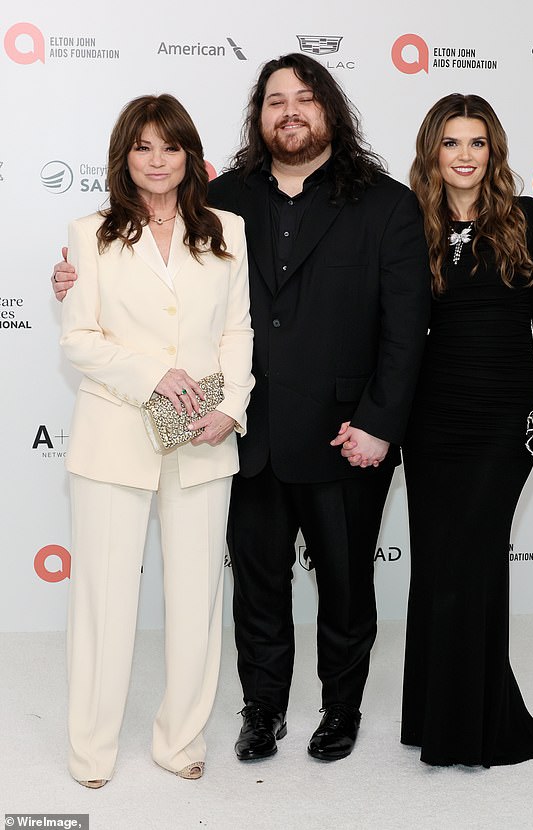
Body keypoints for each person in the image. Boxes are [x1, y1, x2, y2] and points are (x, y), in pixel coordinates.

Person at [53, 54, 430, 763]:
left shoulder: (385, 202)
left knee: (347, 587)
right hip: (244, 439)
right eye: (274, 100)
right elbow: (140, 270)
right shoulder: (226, 201)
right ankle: (262, 712)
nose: (289, 111)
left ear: (330, 110)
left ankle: (339, 711)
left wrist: (380, 422)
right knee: (255, 590)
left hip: (341, 434)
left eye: (305, 98)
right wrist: (72, 278)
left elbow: (406, 327)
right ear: (257, 116)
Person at [58, 94, 254, 787]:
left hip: (204, 437)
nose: (157, 160)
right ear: (125, 157)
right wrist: (151, 375)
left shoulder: (227, 230)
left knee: (196, 601)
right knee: (103, 600)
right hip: (115, 435)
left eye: (169, 147)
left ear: (189, 156)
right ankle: (92, 752)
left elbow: (237, 331)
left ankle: (180, 742)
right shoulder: (91, 234)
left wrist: (232, 406)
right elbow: (78, 338)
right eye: (143, 147)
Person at [400, 93, 533, 767]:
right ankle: (433, 719)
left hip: (504, 415)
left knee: (472, 566)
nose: (464, 155)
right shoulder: (409, 220)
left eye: (477, 142)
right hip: (430, 420)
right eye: (451, 142)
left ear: (493, 151)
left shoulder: (525, 216)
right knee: (437, 565)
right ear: (434, 151)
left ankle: (478, 726)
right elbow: (387, 325)